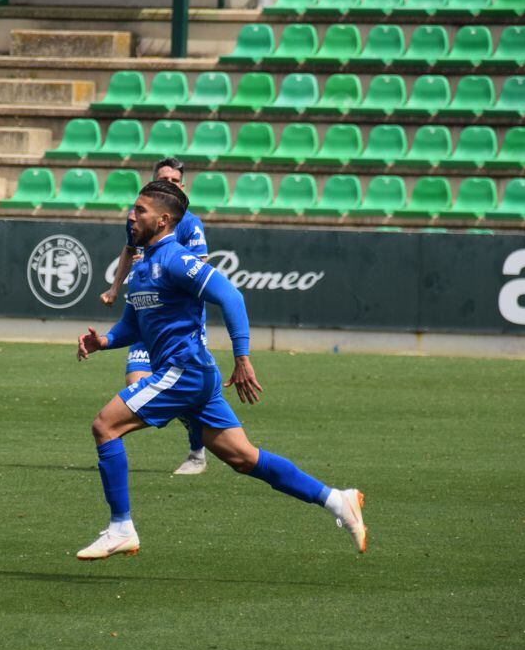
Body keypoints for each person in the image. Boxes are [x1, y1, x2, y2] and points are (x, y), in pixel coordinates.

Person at [76, 181, 366, 560]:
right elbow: (133, 325)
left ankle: (121, 527)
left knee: (105, 425)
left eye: (140, 210)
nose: (131, 216)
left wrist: (242, 357)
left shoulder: (176, 259)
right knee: (244, 457)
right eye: (133, 209)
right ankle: (336, 500)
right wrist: (105, 342)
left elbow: (231, 295)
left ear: (163, 221)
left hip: (185, 371)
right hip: (190, 376)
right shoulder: (142, 266)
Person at [100, 158, 210, 475]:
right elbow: (128, 249)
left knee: (170, 391)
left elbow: (198, 266)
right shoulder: (139, 217)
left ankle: (196, 450)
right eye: (165, 179)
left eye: (175, 180)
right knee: (137, 381)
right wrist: (115, 287)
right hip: (145, 313)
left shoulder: (189, 223)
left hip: (175, 323)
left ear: (182, 186)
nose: (171, 184)